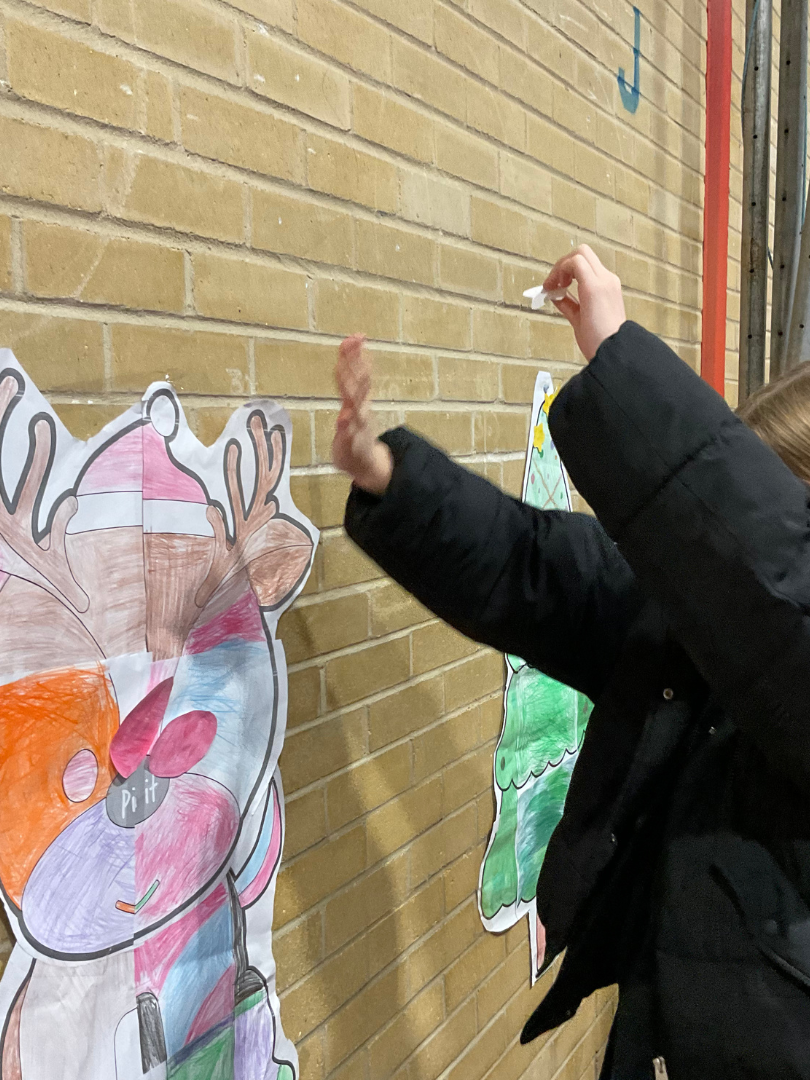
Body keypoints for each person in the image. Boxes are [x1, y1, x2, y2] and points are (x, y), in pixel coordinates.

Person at [333, 245, 810, 1079]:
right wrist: (393, 482)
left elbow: (777, 589)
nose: (707, 554)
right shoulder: (697, 627)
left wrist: (622, 366)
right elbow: (543, 571)